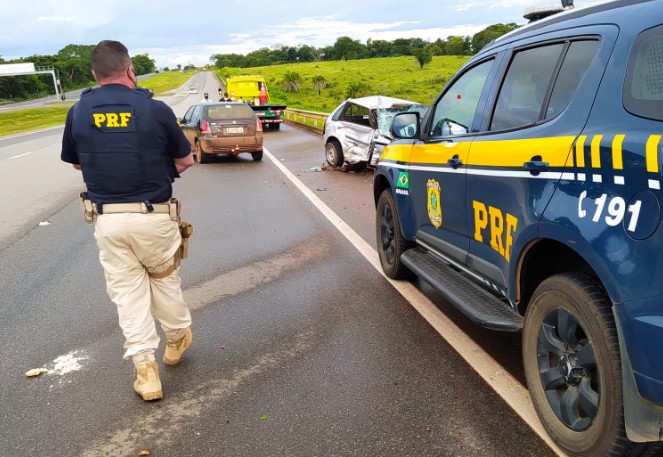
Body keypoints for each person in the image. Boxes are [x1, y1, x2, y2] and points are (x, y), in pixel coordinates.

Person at [60, 40, 195, 402]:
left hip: (109, 220)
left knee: (128, 295)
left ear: (95, 75)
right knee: (164, 279)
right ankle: (177, 338)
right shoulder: (156, 109)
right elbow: (185, 160)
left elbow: (77, 162)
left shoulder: (78, 111)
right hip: (154, 216)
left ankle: (146, 372)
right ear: (130, 69)